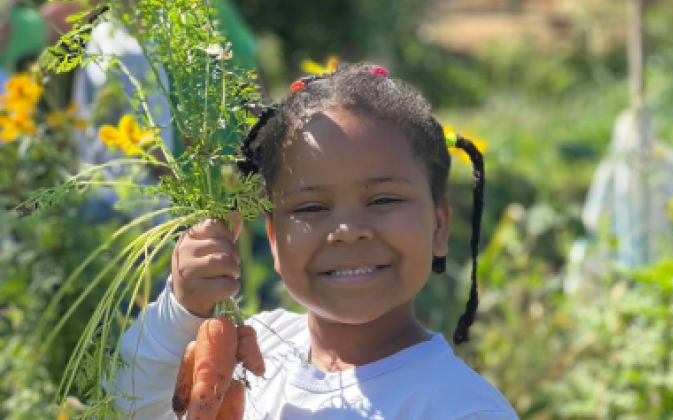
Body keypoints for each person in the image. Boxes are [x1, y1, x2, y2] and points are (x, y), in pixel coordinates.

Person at [111, 63, 519, 420]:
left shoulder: (461, 409)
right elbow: (130, 409)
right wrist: (180, 313)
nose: (347, 230)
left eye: (383, 200)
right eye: (310, 208)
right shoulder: (253, 349)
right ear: (273, 240)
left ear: (439, 226)